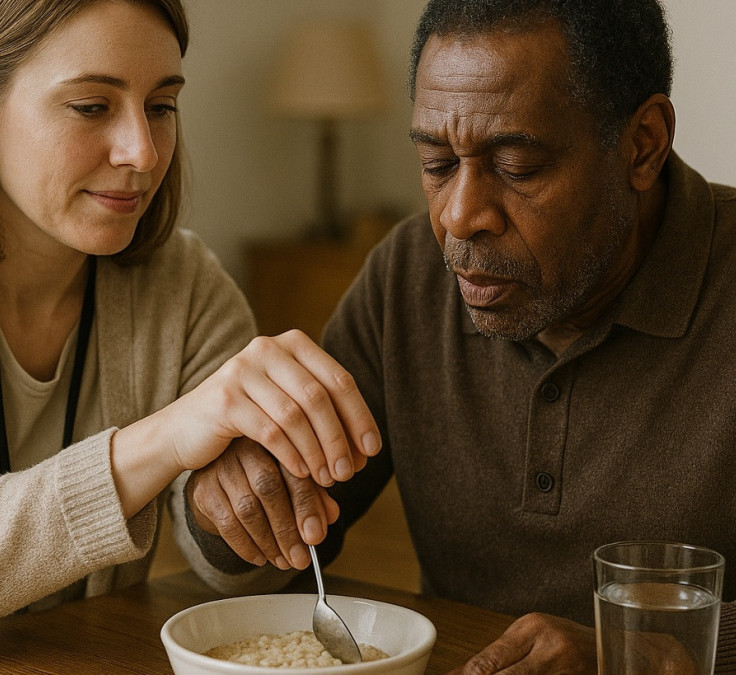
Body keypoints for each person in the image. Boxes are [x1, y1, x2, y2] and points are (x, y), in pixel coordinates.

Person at [181, 0, 736, 672]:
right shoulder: (408, 274)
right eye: (438, 163)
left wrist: (647, 654)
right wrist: (233, 499)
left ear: (642, 144)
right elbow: (275, 536)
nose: (460, 216)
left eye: (517, 166)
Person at [0, 0, 381, 638]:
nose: (143, 152)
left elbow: (239, 576)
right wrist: (162, 441)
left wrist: (231, 502)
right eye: (92, 106)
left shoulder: (188, 286)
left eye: (162, 106)